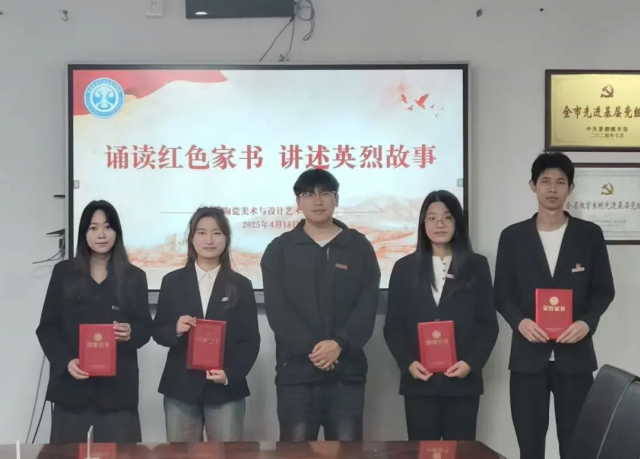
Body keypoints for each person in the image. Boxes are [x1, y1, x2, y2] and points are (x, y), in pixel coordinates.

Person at [494, 152, 615, 459]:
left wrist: (586, 322)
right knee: (530, 447)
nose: (552, 188)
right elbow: (502, 293)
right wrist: (520, 322)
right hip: (527, 359)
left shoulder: (589, 235)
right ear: (533, 185)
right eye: (545, 181)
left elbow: (604, 290)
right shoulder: (513, 237)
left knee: (576, 447)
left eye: (560, 182)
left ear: (570, 188)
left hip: (575, 359)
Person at [261, 169, 381, 441]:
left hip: (346, 373)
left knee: (348, 452)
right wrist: (317, 351)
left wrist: (338, 344)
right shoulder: (280, 249)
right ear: (298, 202)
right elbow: (279, 312)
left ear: (336, 199)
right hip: (297, 376)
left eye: (325, 193)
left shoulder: (358, 247)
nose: (317, 201)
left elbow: (366, 304)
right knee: (296, 453)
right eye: (308, 194)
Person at [384, 190, 498, 441]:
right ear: (423, 224)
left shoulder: (477, 266)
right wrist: (408, 363)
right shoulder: (404, 268)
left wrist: (470, 363)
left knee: (462, 453)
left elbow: (488, 324)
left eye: (447, 217)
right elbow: (393, 326)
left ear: (457, 223)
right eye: (432, 218)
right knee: (422, 453)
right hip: (420, 381)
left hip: (462, 382)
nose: (439, 224)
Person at [36, 200, 152, 443]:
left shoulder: (135, 277)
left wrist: (130, 333)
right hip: (72, 392)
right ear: (84, 233)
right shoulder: (63, 273)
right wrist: (66, 362)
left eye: (107, 227)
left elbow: (144, 328)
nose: (101, 234)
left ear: (117, 232)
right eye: (93, 227)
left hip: (118, 395)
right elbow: (47, 328)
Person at [153, 206, 260, 442]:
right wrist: (176, 329)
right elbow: (159, 332)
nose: (209, 240)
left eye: (217, 233)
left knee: (227, 455)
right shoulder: (172, 282)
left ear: (226, 238)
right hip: (180, 388)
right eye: (201, 233)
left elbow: (251, 341)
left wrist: (230, 374)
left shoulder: (241, 285)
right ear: (191, 238)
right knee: (180, 456)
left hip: (225, 389)